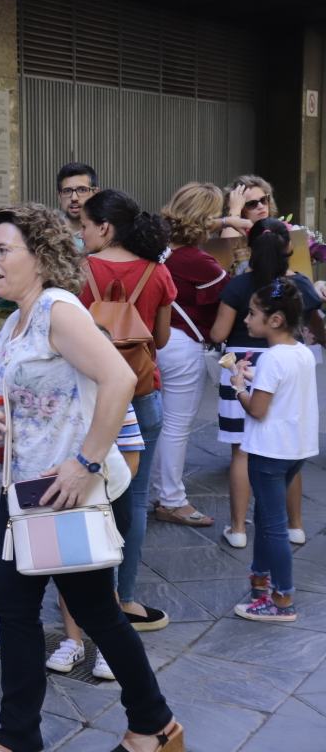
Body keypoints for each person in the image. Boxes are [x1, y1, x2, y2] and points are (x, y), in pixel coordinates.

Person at [0, 203, 181, 752]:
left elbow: (119, 378)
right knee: (74, 613)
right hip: (27, 491)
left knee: (47, 614)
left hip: (61, 491)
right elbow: (1, 395)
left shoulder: (59, 310)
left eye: (2, 249)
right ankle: (152, 725)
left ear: (40, 257)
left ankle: (23, 738)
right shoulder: (15, 320)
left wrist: (84, 462)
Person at [77, 189, 175, 633]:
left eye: (84, 225)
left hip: (92, 400)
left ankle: (84, 602)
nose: (80, 234)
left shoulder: (79, 271)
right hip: (141, 392)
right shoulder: (157, 273)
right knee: (133, 499)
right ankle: (125, 598)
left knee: (86, 494)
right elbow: (162, 339)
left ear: (104, 227)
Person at [210, 219, 324, 549]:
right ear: (288, 248)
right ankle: (296, 526)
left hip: (241, 366)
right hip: (289, 364)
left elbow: (218, 334)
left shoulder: (239, 286)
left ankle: (238, 529)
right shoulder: (296, 287)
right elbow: (317, 327)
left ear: (250, 246)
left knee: (241, 453)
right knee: (289, 450)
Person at [229, 278, 318, 622]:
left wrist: (239, 386)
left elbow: (257, 410)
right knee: (269, 520)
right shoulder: (301, 353)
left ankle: (282, 599)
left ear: (275, 319)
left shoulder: (271, 358)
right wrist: (253, 379)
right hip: (295, 449)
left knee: (273, 526)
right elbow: (281, 395)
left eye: (252, 314)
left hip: (269, 451)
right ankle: (260, 582)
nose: (247, 320)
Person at [46, 398, 144, 682]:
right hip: (59, 495)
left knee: (105, 575)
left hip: (101, 498)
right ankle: (73, 641)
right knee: (64, 568)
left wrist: (100, 489)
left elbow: (131, 457)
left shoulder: (113, 396)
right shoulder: (57, 398)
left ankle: (106, 645)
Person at [152, 183, 230, 527]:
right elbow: (229, 301)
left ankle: (154, 491)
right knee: (176, 426)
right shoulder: (200, 261)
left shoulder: (155, 249)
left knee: (155, 423)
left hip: (155, 342)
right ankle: (171, 499)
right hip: (184, 348)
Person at [56, 162, 99, 239]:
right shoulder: (47, 235)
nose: (74, 198)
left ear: (95, 194)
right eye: (67, 191)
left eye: (82, 190)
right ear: (59, 197)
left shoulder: (108, 233)